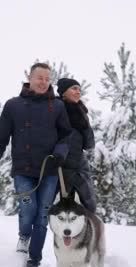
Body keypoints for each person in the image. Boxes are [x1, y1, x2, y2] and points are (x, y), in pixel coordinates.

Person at [0, 63, 72, 267]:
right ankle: (24, 235)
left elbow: (66, 135)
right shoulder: (13, 105)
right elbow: (0, 139)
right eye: (39, 77)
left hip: (49, 170)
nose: (43, 82)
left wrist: (60, 153)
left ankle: (34, 260)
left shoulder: (57, 106)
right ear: (29, 78)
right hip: (23, 169)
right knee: (27, 209)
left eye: (46, 78)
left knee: (42, 215)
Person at [55, 78, 97, 213]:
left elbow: (89, 144)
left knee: (89, 206)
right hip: (60, 166)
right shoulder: (55, 109)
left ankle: (90, 233)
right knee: (58, 210)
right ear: (63, 92)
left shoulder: (81, 112)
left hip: (79, 165)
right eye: (74, 88)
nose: (78, 92)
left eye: (79, 89)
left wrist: (85, 124)